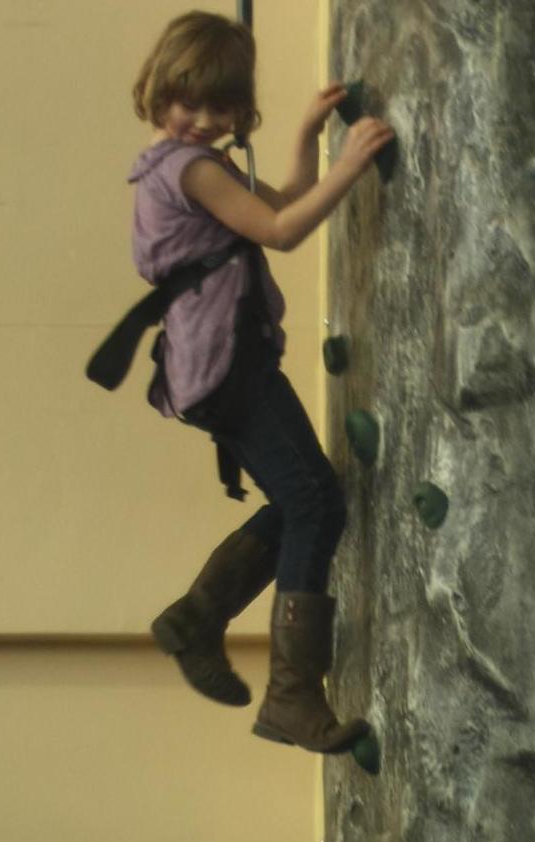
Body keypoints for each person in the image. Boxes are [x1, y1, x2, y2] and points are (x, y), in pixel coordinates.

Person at [127, 10, 395, 754]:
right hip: (227, 367)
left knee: (301, 497)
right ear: (157, 89)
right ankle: (290, 697)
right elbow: (283, 232)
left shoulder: (174, 165)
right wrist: (352, 166)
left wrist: (310, 139)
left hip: (212, 367)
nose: (204, 119)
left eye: (221, 107)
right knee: (316, 503)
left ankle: (198, 615)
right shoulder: (193, 169)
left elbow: (277, 203)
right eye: (190, 101)